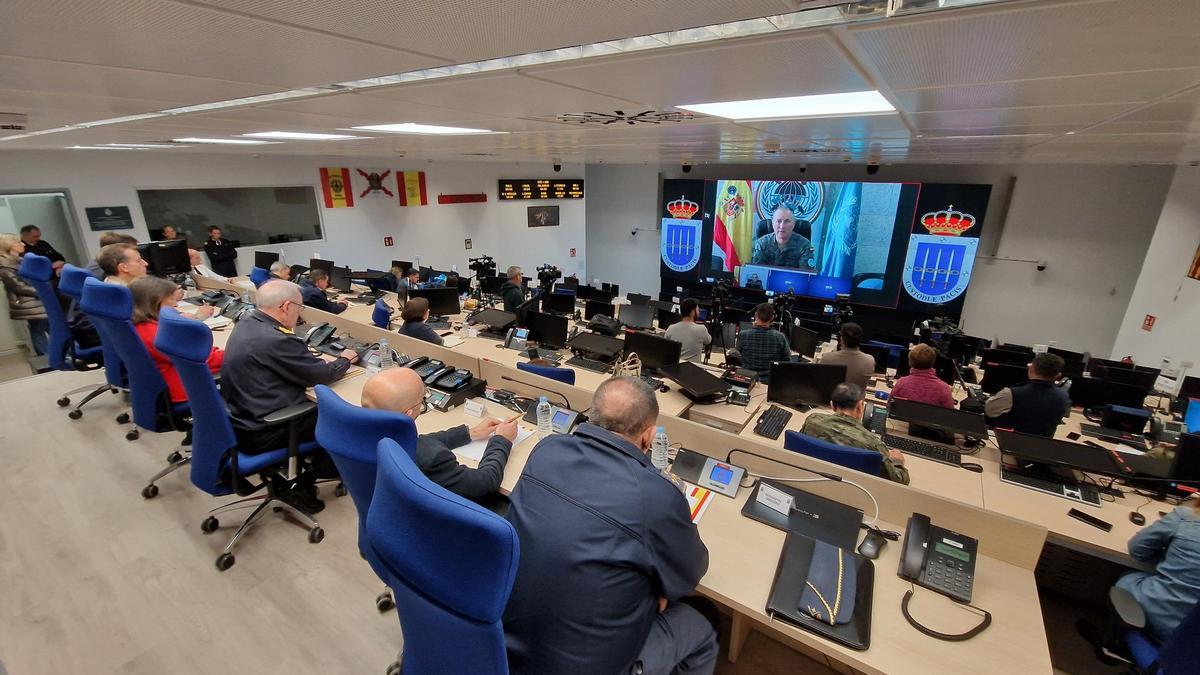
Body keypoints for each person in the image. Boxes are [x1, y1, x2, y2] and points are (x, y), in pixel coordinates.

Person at [504, 377, 716, 675]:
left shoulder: (547, 449)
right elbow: (690, 573)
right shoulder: (655, 495)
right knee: (704, 619)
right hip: (588, 664)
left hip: (509, 643)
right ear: (649, 437)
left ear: (592, 414)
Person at [219, 280, 357, 512]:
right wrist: (345, 359)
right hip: (265, 428)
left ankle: (301, 471)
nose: (299, 314)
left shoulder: (247, 322)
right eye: (299, 308)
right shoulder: (275, 338)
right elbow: (321, 374)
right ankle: (305, 480)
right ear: (286, 306)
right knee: (344, 418)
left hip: (241, 419)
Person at [361, 367, 517, 504]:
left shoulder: (365, 432)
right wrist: (501, 440)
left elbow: (418, 441)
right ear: (408, 414)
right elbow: (486, 482)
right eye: (421, 401)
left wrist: (469, 433)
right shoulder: (430, 458)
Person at [1112, 502, 1200, 643]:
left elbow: (1137, 549)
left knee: (1127, 578)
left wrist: (1171, 559)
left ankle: (1116, 641)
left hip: (1161, 620)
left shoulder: (1188, 516)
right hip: (1193, 640)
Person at [130, 276, 221, 403]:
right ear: (155, 302)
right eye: (171, 299)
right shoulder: (157, 333)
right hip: (184, 389)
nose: (175, 304)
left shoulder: (140, 325)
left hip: (160, 387)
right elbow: (203, 360)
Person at [801, 383, 910, 484]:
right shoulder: (872, 443)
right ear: (860, 406)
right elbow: (899, 481)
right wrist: (897, 461)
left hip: (814, 479)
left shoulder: (812, 421)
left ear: (832, 406)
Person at [985, 352, 1070, 437]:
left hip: (1006, 441)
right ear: (1058, 375)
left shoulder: (1011, 393)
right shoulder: (1064, 396)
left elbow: (989, 411)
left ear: (1031, 368)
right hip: (1041, 446)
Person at [0, 233, 50, 355]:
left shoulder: (21, 261)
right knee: (39, 329)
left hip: (35, 299)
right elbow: (18, 286)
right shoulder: (4, 266)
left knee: (49, 327)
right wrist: (41, 291)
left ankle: (58, 356)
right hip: (28, 302)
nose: (22, 244)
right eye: (18, 242)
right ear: (9, 246)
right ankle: (46, 358)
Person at [736, 302, 792, 381]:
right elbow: (787, 362)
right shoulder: (780, 337)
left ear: (756, 315)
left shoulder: (744, 335)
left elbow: (736, 356)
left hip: (747, 379)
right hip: (769, 382)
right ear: (772, 318)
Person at [749, 205, 816, 270]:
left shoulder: (804, 245)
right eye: (778, 221)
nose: (782, 226)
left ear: (793, 224)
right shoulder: (762, 243)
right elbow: (757, 272)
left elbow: (806, 276)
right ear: (773, 224)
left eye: (787, 221)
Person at [890, 343, 955, 408]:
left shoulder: (902, 383)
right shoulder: (944, 388)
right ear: (933, 362)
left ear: (910, 362)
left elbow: (890, 407)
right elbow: (950, 414)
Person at [818, 322, 876, 390]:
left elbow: (820, 378)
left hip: (834, 398)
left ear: (841, 339)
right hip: (856, 399)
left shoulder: (827, 358)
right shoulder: (870, 360)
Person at [664, 298, 711, 362]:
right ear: (692, 312)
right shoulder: (701, 329)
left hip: (673, 369)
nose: (699, 312)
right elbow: (708, 341)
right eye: (697, 310)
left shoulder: (670, 328)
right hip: (692, 370)